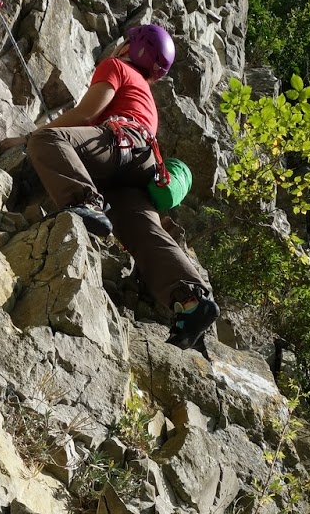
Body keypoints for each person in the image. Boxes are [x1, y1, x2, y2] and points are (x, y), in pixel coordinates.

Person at [23, 24, 220, 350]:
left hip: (120, 144)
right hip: (140, 168)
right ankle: (191, 299)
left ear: (131, 48)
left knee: (47, 140)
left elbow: (87, 114)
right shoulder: (146, 96)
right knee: (144, 232)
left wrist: (27, 138)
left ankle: (84, 201)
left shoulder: (116, 66)